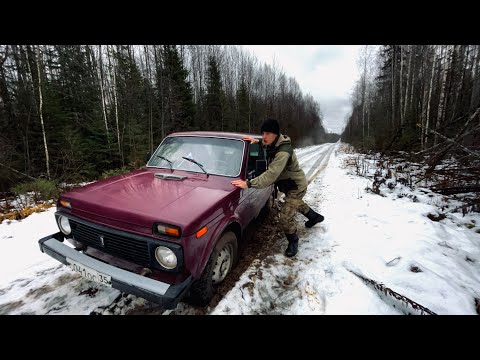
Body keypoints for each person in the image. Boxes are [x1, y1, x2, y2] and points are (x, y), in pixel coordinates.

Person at [231, 118, 324, 257]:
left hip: (296, 186)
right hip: (289, 184)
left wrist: (249, 183)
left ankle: (293, 241)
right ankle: (315, 217)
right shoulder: (274, 143)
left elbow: (271, 174)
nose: (264, 136)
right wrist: (257, 141)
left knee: (285, 217)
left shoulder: (283, 153)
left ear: (275, 134)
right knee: (295, 203)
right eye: (263, 133)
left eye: (267, 133)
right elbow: (266, 145)